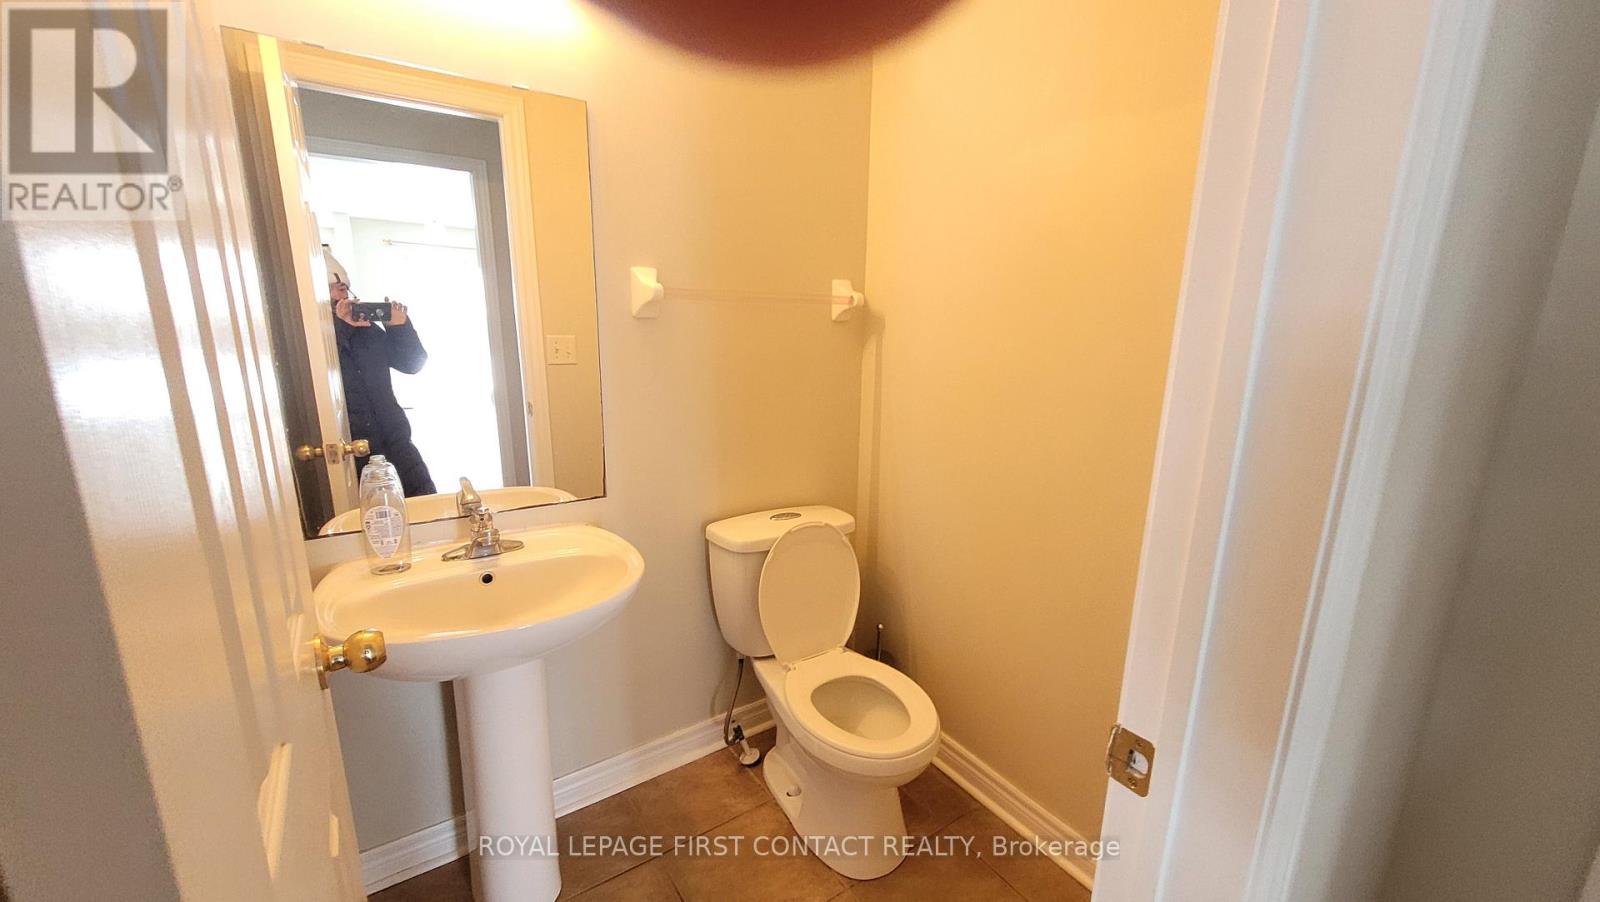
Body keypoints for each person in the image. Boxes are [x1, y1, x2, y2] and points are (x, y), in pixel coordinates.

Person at [325, 249, 437, 497]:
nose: (340, 293)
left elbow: (413, 363)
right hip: (351, 453)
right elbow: (325, 371)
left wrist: (400, 327)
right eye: (333, 287)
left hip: (397, 442)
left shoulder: (368, 331)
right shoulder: (317, 337)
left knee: (425, 506)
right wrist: (341, 327)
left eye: (343, 287)